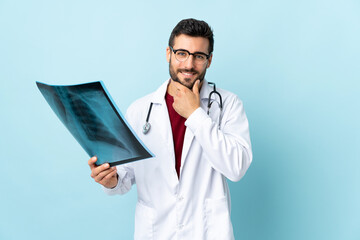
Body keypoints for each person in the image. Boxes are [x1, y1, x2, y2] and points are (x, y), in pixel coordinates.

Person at [88, 18, 252, 240]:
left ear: (209, 60)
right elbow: (125, 176)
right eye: (181, 53)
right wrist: (111, 179)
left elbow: (236, 167)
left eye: (199, 56)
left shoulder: (228, 104)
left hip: (207, 233)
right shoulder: (140, 110)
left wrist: (196, 115)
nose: (189, 64)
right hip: (157, 232)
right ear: (168, 53)